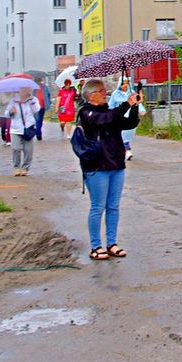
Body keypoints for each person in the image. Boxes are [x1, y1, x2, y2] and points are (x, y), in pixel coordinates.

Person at [78, 77, 140, 261]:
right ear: (90, 95)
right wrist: (126, 104)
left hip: (116, 164)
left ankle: (112, 243)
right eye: (101, 91)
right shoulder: (86, 113)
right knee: (98, 207)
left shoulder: (109, 111)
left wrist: (134, 106)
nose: (105, 94)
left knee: (113, 206)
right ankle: (95, 246)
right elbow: (104, 120)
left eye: (105, 90)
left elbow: (129, 123)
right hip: (97, 166)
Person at [6, 89, 41, 176]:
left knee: (28, 150)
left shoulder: (33, 100)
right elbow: (6, 114)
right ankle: (16, 167)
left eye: (27, 89)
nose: (25, 91)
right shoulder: (13, 101)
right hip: (16, 128)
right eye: (23, 89)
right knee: (16, 148)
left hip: (29, 128)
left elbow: (36, 109)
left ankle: (25, 168)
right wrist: (11, 112)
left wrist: (31, 100)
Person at [109, 76, 142, 160]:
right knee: (121, 134)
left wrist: (140, 109)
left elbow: (137, 103)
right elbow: (111, 105)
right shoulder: (115, 94)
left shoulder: (131, 92)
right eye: (123, 83)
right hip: (119, 116)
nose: (125, 85)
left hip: (130, 115)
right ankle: (127, 151)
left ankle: (125, 150)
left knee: (127, 133)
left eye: (127, 83)